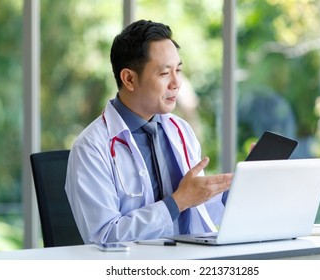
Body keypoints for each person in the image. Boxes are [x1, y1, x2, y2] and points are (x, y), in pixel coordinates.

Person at [65, 19, 233, 244]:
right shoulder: (91, 148)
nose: (176, 83)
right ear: (129, 79)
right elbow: (104, 239)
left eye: (178, 70)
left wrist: (238, 189)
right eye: (164, 73)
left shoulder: (180, 130)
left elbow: (199, 208)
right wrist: (176, 203)